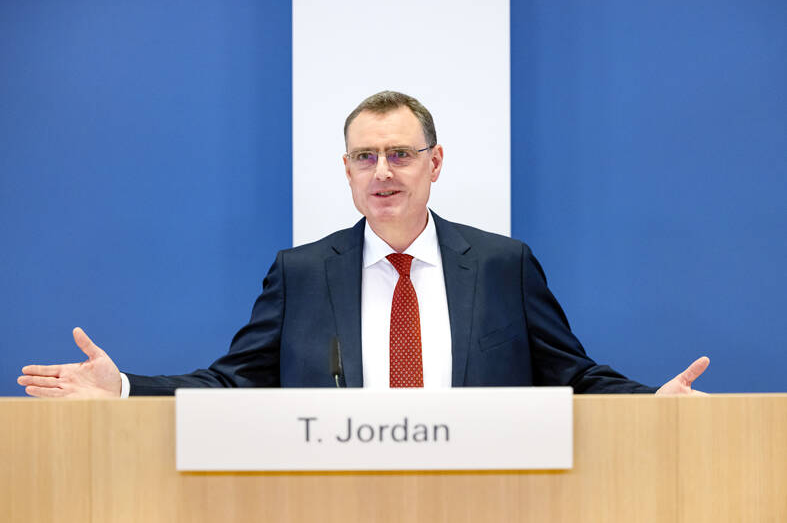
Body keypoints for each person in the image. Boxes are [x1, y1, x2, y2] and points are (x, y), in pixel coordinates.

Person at [18, 91, 709, 397]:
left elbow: (571, 375)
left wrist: (654, 404)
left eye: (400, 153)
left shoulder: (504, 264)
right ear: (347, 170)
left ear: (435, 163)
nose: (382, 171)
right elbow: (231, 383)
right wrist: (125, 388)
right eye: (364, 156)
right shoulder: (301, 273)